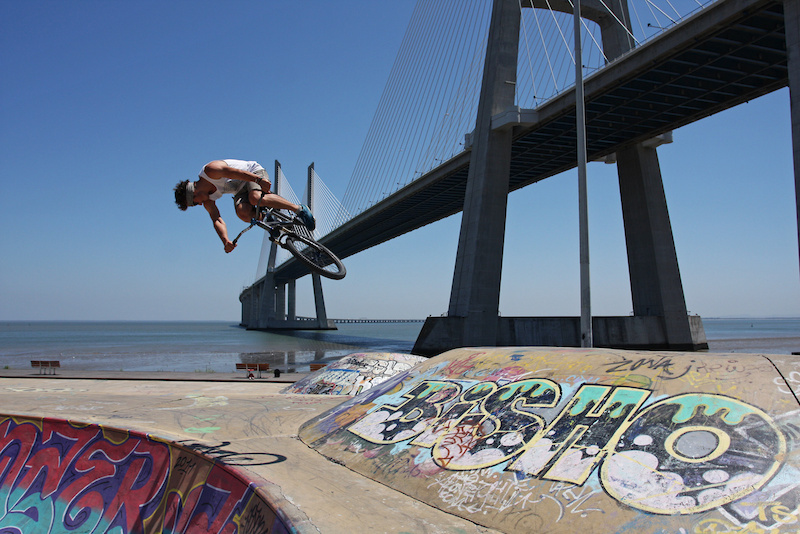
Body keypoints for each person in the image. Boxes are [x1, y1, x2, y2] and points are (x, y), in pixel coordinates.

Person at [174, 159, 316, 253]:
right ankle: (271, 221)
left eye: (194, 203)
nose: (199, 204)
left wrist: (259, 180)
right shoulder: (208, 200)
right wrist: (225, 241)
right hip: (240, 190)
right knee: (242, 213)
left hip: (252, 173)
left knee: (254, 198)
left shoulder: (210, 170)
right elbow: (217, 219)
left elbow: (237, 173)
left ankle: (299, 209)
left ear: (193, 193)